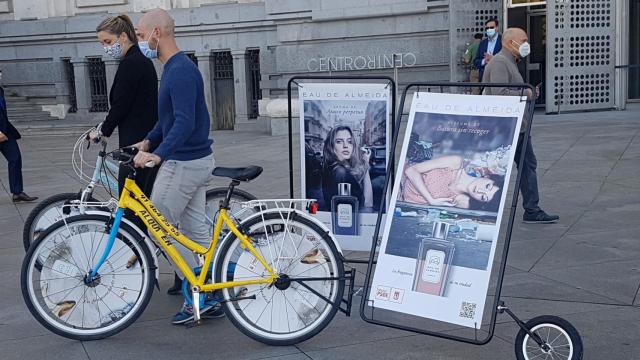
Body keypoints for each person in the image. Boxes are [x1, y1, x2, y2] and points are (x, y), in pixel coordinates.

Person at [132, 8, 218, 323]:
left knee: (156, 226)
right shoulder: (174, 67)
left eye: (141, 35)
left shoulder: (179, 70)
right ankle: (211, 290)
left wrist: (160, 154)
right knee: (196, 232)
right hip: (196, 161)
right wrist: (149, 141)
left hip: (184, 163)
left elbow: (184, 122)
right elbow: (167, 118)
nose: (140, 41)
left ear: (158, 32)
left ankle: (197, 291)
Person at [482, 27, 559, 224]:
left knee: (527, 165)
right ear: (510, 42)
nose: (527, 44)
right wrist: (526, 93)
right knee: (500, 168)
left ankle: (531, 209)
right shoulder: (500, 62)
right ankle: (524, 209)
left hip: (516, 127)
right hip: (505, 129)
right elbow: (498, 95)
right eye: (523, 40)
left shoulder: (509, 61)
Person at [402, 155, 503, 212]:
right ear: (487, 177)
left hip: (402, 207)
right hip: (397, 182)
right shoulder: (455, 163)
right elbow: (411, 171)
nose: (479, 191)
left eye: (483, 197)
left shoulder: (462, 201)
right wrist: (431, 200)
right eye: (487, 186)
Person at [0, 70, 38, 203]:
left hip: (5, 132)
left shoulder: (0, 90)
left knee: (15, 158)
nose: (0, 74)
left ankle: (17, 192)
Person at [321, 126, 373, 211]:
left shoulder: (335, 169)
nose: (346, 146)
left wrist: (365, 163)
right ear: (331, 146)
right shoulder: (341, 173)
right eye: (339, 142)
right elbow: (368, 203)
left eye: (349, 142)